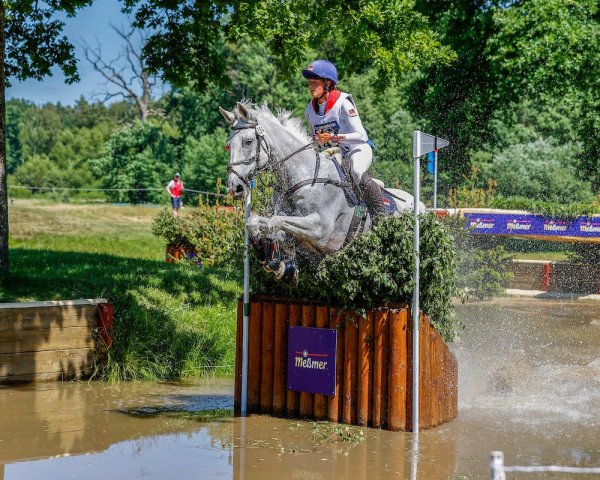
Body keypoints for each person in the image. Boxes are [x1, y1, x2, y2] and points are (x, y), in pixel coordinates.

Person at [302, 59, 385, 217]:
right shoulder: (309, 110)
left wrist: (333, 137)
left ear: (327, 83)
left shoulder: (343, 103)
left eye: (314, 82)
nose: (310, 86)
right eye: (309, 83)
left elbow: (361, 135)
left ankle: (381, 218)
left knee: (356, 171)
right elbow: (315, 139)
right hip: (333, 155)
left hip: (357, 149)